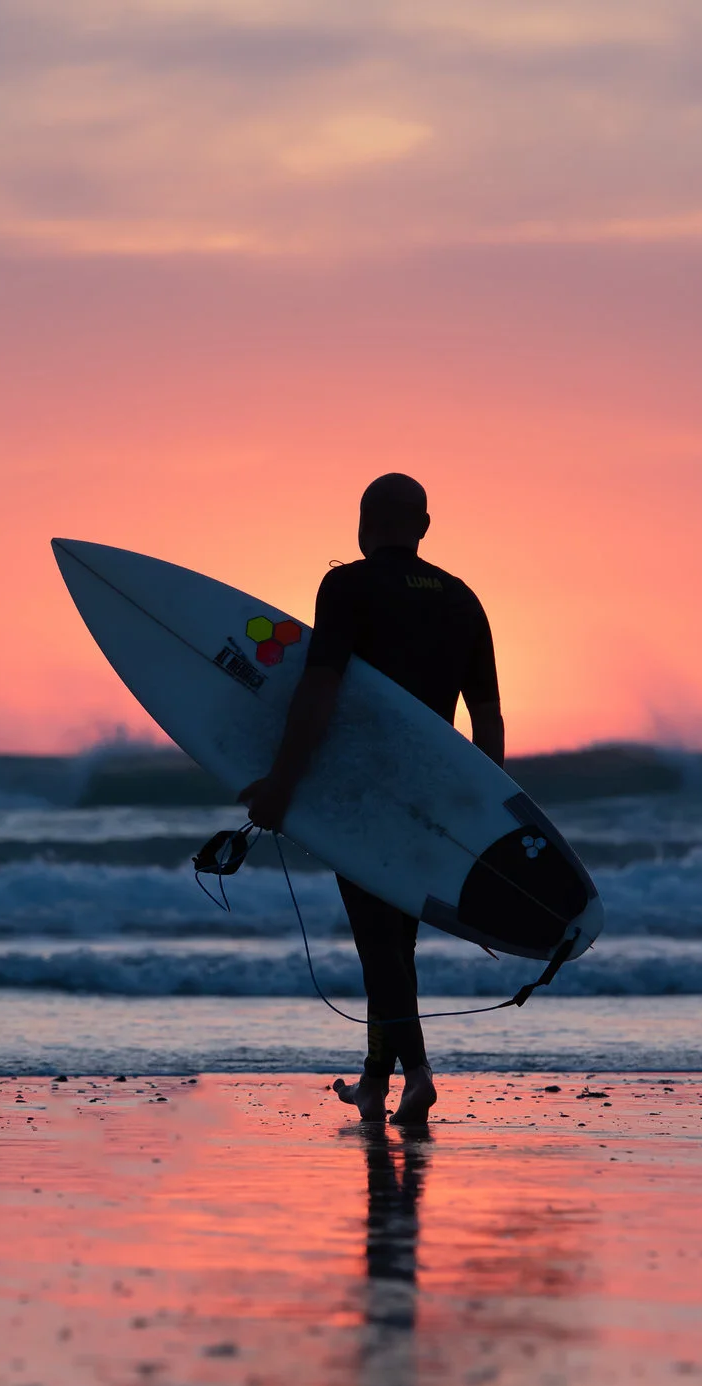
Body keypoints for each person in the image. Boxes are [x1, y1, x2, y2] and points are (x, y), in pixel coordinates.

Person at [238, 472, 502, 1129]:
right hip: (432, 795)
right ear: (424, 526)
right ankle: (376, 1083)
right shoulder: (463, 600)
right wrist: (479, 818)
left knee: (379, 945)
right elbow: (488, 722)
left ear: (365, 523)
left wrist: (283, 781)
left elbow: (320, 689)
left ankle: (416, 1076)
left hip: (364, 792)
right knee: (393, 943)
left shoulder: (348, 585)